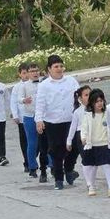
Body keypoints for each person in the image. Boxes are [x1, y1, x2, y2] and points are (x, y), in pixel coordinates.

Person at [35, 55, 80, 190]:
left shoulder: (71, 81)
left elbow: (80, 98)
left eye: (61, 66)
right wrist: (39, 120)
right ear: (49, 69)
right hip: (53, 122)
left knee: (75, 147)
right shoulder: (44, 85)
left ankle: (69, 169)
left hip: (71, 120)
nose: (59, 69)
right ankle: (59, 179)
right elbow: (40, 103)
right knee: (56, 150)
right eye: (56, 67)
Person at [79, 88, 110, 196]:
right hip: (91, 145)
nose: (99, 103)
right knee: (88, 166)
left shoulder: (107, 113)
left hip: (104, 144)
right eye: (97, 101)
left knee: (106, 165)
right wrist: (83, 138)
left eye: (101, 101)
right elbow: (84, 128)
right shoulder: (88, 115)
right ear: (92, 103)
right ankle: (90, 185)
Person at [16, 63, 46, 180]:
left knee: (47, 142)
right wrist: (24, 100)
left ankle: (51, 165)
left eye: (36, 70)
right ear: (27, 73)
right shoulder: (23, 86)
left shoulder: (44, 84)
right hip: (29, 116)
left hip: (43, 116)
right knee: (32, 143)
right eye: (32, 71)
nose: (35, 73)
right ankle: (32, 167)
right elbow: (19, 98)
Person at [65, 85, 91, 176]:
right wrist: (69, 141)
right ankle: (89, 181)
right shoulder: (77, 112)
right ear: (80, 98)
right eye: (86, 95)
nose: (89, 97)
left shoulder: (97, 109)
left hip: (95, 134)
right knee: (86, 159)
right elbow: (73, 128)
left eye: (91, 94)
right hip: (81, 136)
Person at [10, 63, 30, 172]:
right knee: (24, 141)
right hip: (22, 118)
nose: (26, 75)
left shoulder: (36, 84)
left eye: (28, 72)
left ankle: (32, 158)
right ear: (20, 74)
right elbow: (13, 102)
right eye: (24, 73)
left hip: (34, 118)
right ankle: (26, 161)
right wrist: (15, 115)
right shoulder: (17, 87)